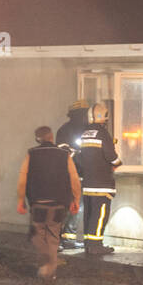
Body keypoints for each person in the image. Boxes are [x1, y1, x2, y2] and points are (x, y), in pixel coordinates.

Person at [17, 126, 81, 279]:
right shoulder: (64, 154)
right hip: (59, 203)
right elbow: (74, 179)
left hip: (38, 202)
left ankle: (46, 266)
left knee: (36, 235)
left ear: (37, 139)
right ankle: (50, 270)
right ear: (51, 137)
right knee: (53, 236)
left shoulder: (31, 154)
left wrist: (21, 200)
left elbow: (22, 178)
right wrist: (76, 199)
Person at [75, 103, 122, 255]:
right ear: (104, 116)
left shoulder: (85, 133)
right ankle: (96, 245)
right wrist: (118, 163)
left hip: (88, 183)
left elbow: (81, 157)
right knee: (100, 214)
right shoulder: (102, 133)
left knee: (89, 214)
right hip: (102, 184)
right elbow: (111, 155)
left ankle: (89, 244)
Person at [55, 100, 91, 249]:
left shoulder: (87, 129)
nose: (86, 117)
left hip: (81, 175)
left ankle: (68, 239)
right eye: (84, 114)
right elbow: (62, 152)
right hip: (69, 175)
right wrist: (74, 152)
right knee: (66, 207)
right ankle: (58, 239)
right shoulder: (65, 130)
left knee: (77, 207)